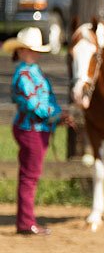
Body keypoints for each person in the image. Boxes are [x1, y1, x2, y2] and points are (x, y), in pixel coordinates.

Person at [3, 27, 73, 235]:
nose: (34, 53)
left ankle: (26, 220)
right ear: (22, 51)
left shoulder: (32, 72)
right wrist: (57, 114)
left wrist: (56, 116)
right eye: (30, 50)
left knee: (30, 175)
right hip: (31, 129)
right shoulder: (24, 74)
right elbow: (34, 105)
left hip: (37, 128)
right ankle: (25, 223)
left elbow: (43, 102)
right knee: (29, 176)